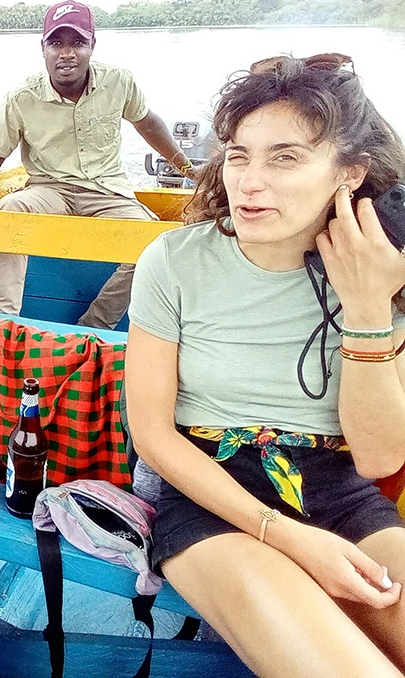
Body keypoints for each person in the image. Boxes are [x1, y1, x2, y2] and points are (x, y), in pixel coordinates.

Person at [126, 54, 405, 676]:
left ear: (350, 173)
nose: (249, 182)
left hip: (338, 487)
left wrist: (366, 305)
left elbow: (381, 459)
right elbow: (150, 432)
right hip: (208, 484)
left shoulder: (384, 269)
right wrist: (288, 538)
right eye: (237, 155)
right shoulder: (175, 261)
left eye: (285, 157)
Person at [0, 0, 191, 329]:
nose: (66, 53)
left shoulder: (119, 82)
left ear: (92, 45)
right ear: (43, 48)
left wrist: (187, 168)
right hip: (50, 190)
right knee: (11, 208)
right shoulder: (22, 97)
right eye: (56, 43)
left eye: (78, 43)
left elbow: (148, 123)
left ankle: (95, 324)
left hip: (108, 190)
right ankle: (2, 323)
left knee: (155, 241)